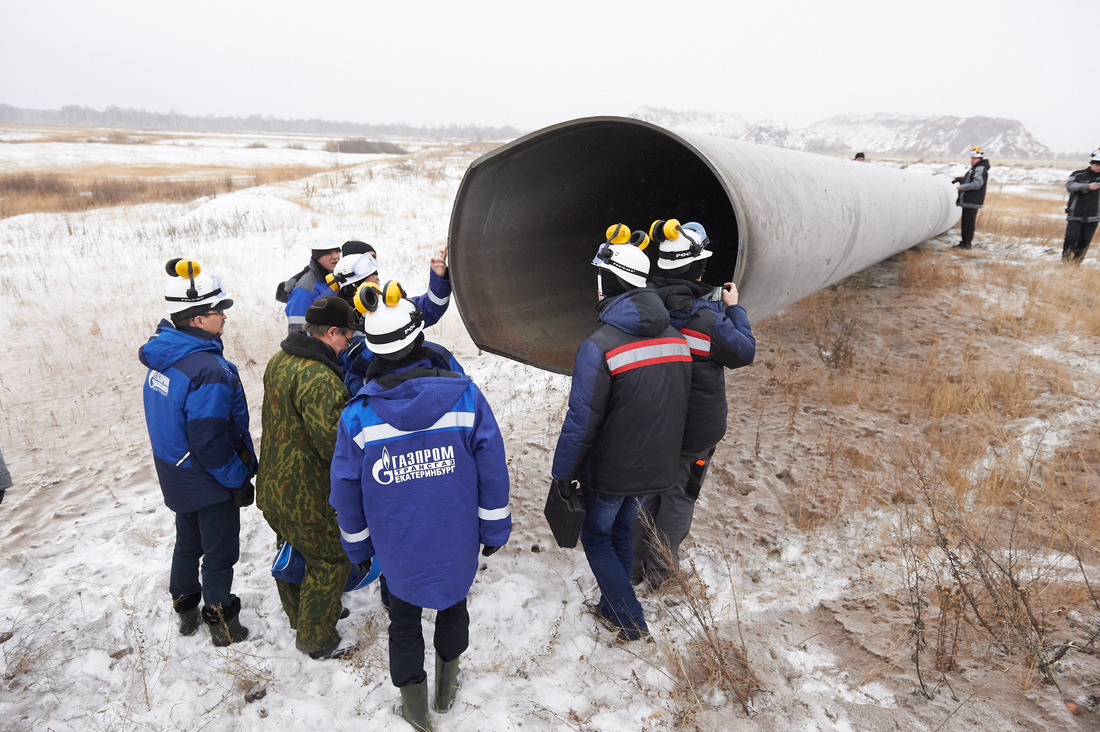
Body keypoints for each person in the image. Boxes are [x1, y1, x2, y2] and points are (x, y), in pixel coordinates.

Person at [330, 281, 510, 731]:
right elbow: (492, 467)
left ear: (370, 350)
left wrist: (358, 546)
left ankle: (415, 710)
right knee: (454, 606)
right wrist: (494, 529)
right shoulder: (465, 398)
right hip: (455, 534)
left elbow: (345, 488)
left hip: (398, 543)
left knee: (404, 622)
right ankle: (447, 688)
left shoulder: (358, 416)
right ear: (420, 339)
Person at [550, 227, 692, 643]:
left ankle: (630, 620)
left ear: (610, 281)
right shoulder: (675, 337)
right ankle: (611, 606)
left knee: (596, 535)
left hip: (615, 471)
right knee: (620, 529)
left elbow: (581, 420)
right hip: (655, 466)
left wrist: (563, 472)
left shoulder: (600, 346)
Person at [631, 220, 755, 590]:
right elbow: (743, 352)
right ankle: (663, 574)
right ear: (698, 267)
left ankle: (632, 567)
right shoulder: (706, 321)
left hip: (650, 425)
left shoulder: (642, 309)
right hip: (695, 431)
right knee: (679, 497)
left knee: (646, 491)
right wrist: (734, 310)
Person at [139, 259, 256, 646]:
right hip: (209, 478)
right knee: (220, 552)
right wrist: (238, 479)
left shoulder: (163, 354)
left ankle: (185, 607)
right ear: (196, 319)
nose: (224, 317)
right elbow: (209, 439)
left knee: (188, 542)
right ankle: (222, 621)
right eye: (217, 311)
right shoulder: (207, 370)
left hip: (175, 471)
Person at [256, 296, 361, 659]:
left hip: (272, 484)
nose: (348, 344)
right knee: (330, 559)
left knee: (294, 548)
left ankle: (301, 615)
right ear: (331, 332)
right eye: (346, 336)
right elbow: (336, 445)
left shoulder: (280, 360)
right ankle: (316, 639)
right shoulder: (319, 378)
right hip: (305, 494)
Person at [325, 245, 452, 395]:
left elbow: (432, 307)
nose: (379, 287)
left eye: (378, 280)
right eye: (373, 285)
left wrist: (438, 277)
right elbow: (355, 372)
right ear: (354, 290)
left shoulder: (389, 307)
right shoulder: (337, 324)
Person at [278, 229, 345, 334]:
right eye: (328, 252)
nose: (335, 257)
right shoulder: (304, 289)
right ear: (317, 256)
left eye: (337, 251)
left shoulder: (336, 278)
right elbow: (298, 334)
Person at [1062, 150, 1100, 264]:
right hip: (1075, 215)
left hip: (1093, 216)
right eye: (1097, 164)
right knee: (1071, 239)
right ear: (1091, 163)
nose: (1098, 167)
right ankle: (1065, 262)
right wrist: (1087, 186)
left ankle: (1076, 264)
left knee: (1084, 242)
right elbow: (1070, 186)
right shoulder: (1078, 174)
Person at [952, 146, 990, 250]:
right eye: (971, 158)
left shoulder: (980, 168)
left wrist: (962, 187)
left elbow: (977, 184)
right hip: (969, 201)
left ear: (979, 159)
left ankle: (966, 244)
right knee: (966, 222)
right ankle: (964, 242)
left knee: (968, 223)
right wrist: (961, 179)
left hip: (972, 200)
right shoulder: (976, 168)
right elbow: (971, 180)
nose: (972, 160)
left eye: (974, 159)